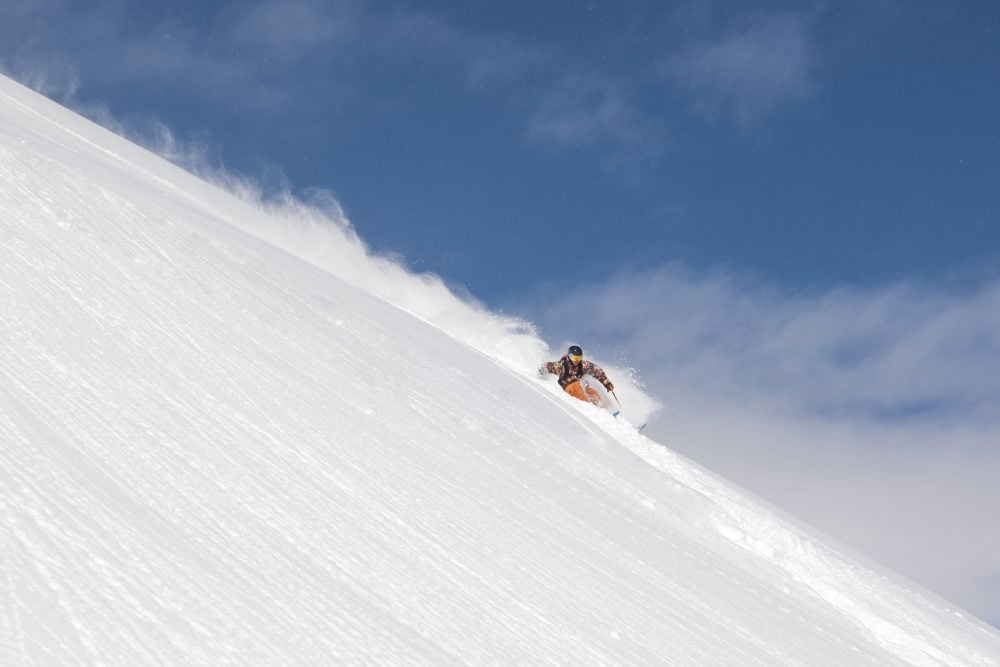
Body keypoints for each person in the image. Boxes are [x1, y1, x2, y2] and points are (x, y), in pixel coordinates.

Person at [539, 345, 615, 407]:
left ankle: (605, 408)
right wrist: (540, 372)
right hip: (569, 387)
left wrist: (606, 383)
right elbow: (548, 366)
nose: (576, 360)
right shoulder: (561, 365)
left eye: (579, 358)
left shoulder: (583, 365)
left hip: (581, 385)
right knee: (577, 387)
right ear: (569, 356)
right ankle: (589, 405)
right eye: (574, 358)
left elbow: (597, 371)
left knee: (592, 390)